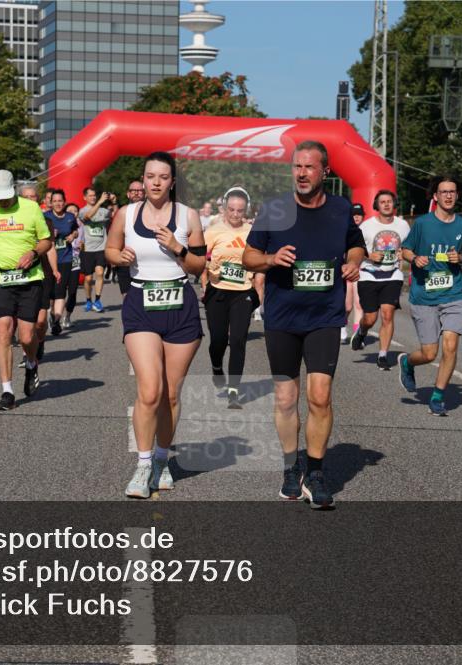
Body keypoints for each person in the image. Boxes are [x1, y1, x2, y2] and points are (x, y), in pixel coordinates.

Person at [242, 140, 366, 509]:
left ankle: (315, 471)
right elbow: (248, 257)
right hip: (282, 317)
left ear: (325, 171)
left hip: (325, 316)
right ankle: (289, 466)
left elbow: (355, 245)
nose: (301, 173)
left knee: (320, 396)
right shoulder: (275, 209)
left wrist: (354, 262)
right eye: (297, 166)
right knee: (285, 398)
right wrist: (270, 258)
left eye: (309, 167)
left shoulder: (341, 208)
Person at [105, 152, 206, 499]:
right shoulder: (126, 214)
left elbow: (198, 265)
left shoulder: (187, 216)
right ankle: (143, 464)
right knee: (149, 391)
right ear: (143, 180)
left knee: (171, 394)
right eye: (150, 176)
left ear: (172, 181)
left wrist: (178, 247)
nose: (156, 182)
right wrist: (118, 257)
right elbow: (110, 249)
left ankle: (163, 460)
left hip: (180, 306)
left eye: (163, 176)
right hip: (140, 306)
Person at [398, 174, 462, 417]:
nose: (448, 195)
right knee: (429, 353)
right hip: (424, 295)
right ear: (436, 196)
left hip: (453, 293)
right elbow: (405, 250)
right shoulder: (423, 224)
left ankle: (437, 395)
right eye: (443, 191)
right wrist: (415, 258)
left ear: (457, 195)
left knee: (451, 346)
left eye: (452, 191)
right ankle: (407, 363)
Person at [0, 169, 53, 411]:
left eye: (6, 196)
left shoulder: (30, 209)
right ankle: (7, 391)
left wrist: (33, 253)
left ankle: (31, 363)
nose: (3, 201)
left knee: (27, 336)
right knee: (3, 330)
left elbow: (46, 240)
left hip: (29, 278)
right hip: (0, 278)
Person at [202, 187, 258, 409]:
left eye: (240, 210)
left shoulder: (253, 231)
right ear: (225, 208)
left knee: (237, 340)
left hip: (243, 291)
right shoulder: (213, 231)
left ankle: (234, 390)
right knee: (218, 340)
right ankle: (217, 367)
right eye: (232, 209)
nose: (236, 214)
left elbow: (259, 258)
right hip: (217, 291)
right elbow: (199, 260)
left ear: (246, 210)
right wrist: (207, 268)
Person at [350, 191, 410, 370]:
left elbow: (409, 246)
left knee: (387, 314)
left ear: (394, 204)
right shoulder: (366, 227)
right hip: (369, 274)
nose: (386, 204)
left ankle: (383, 354)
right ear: (377, 206)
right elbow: (355, 248)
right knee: (370, 317)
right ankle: (362, 331)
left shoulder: (403, 225)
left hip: (393, 274)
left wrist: (405, 253)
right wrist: (369, 255)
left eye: (389, 201)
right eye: (382, 202)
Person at [20, 184, 59, 362]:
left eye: (33, 197)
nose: (30, 200)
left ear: (39, 200)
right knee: (25, 320)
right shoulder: (15, 222)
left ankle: (40, 341)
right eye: (26, 197)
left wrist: (55, 269)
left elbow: (50, 248)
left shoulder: (47, 222)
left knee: (41, 321)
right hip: (21, 274)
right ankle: (27, 354)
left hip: (42, 273)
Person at [43, 190, 79, 335]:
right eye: (55, 201)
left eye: (60, 201)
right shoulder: (45, 216)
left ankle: (57, 321)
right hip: (47, 260)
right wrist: (49, 234)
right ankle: (51, 314)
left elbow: (76, 230)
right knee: (49, 293)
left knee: (60, 291)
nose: (58, 203)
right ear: (50, 203)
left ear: (64, 202)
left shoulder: (70, 217)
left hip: (65, 258)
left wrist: (73, 235)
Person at [79, 186, 115, 312]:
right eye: (90, 196)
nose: (93, 197)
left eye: (95, 195)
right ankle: (88, 300)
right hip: (88, 249)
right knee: (88, 278)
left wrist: (114, 202)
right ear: (85, 197)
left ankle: (98, 300)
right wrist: (100, 201)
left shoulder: (103, 211)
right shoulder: (82, 211)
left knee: (100, 273)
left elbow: (114, 215)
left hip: (101, 248)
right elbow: (87, 217)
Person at [341, 203, 366, 344]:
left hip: (363, 271)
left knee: (359, 303)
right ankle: (342, 325)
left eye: (359, 214)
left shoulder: (367, 228)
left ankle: (357, 335)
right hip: (346, 270)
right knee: (347, 305)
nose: (357, 217)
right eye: (354, 214)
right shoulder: (346, 229)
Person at [115, 180, 144, 299]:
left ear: (145, 193)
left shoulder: (153, 212)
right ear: (128, 194)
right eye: (133, 191)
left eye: (140, 191)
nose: (136, 193)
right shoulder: (122, 213)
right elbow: (114, 238)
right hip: (125, 260)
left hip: (145, 261)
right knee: (127, 297)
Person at [63, 202, 83, 328]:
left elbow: (82, 243)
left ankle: (67, 316)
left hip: (75, 260)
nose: (73, 213)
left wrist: (81, 246)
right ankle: (54, 313)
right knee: (58, 291)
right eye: (70, 210)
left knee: (72, 291)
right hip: (61, 259)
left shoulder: (81, 226)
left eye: (75, 211)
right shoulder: (60, 224)